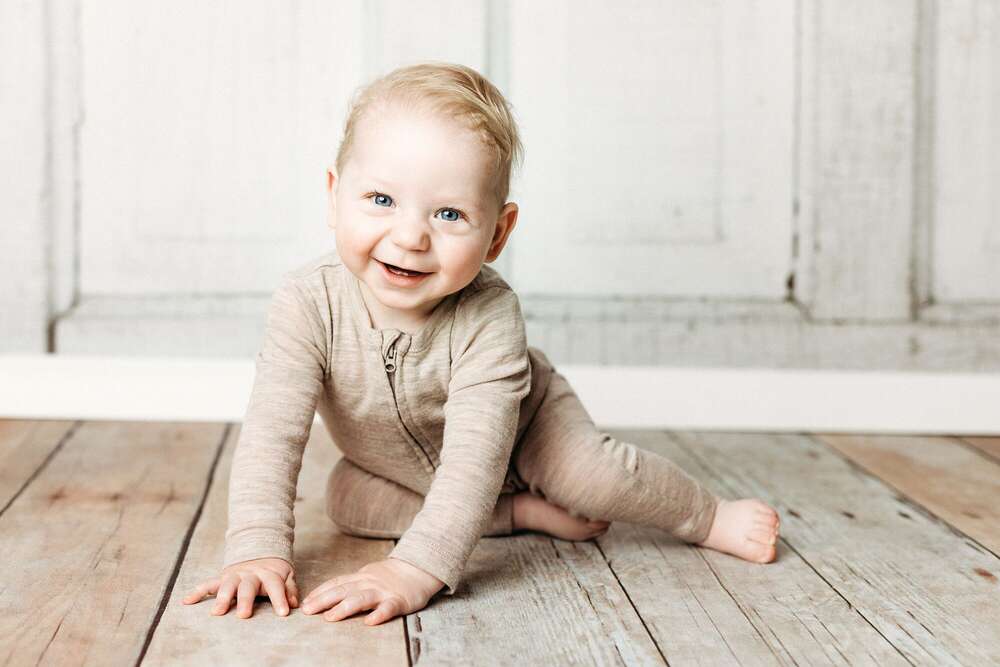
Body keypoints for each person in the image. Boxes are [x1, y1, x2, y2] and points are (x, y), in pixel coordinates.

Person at [182, 62, 780, 626]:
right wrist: (257, 549)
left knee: (593, 478)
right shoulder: (306, 303)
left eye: (448, 214)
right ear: (335, 196)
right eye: (382, 200)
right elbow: (272, 432)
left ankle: (705, 515)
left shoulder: (488, 315)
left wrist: (414, 568)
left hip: (524, 434)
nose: (411, 235)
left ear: (497, 233)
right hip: (395, 464)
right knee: (346, 501)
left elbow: (475, 460)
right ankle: (516, 514)